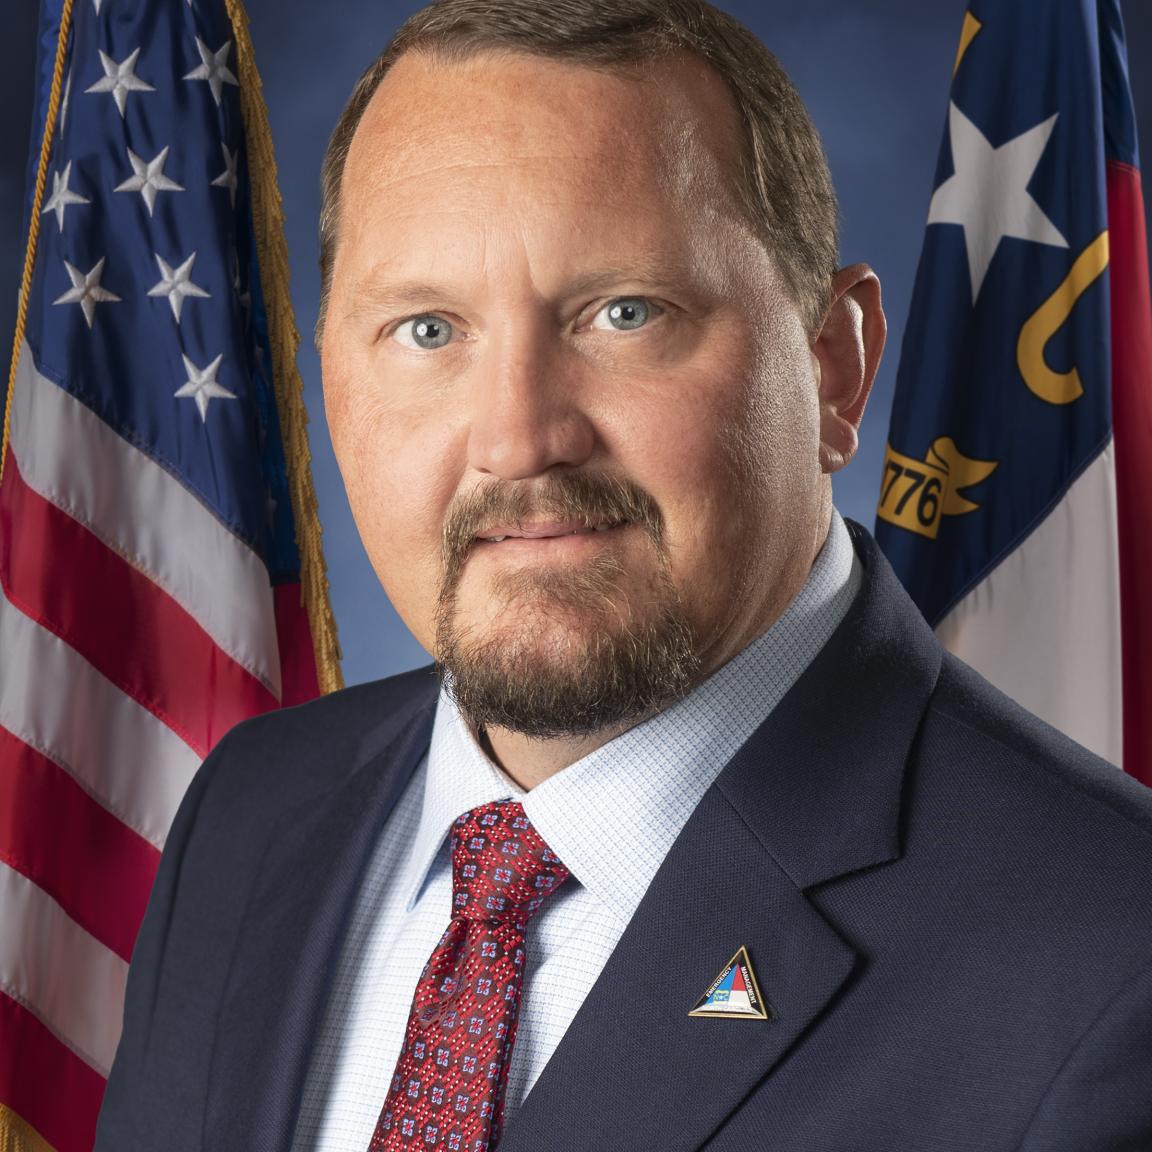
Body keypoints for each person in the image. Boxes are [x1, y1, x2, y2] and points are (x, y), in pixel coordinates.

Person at [95, 1, 1152, 1149]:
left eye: (624, 313)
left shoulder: (1109, 968)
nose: (519, 439)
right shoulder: (250, 811)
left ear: (834, 368)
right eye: (427, 330)